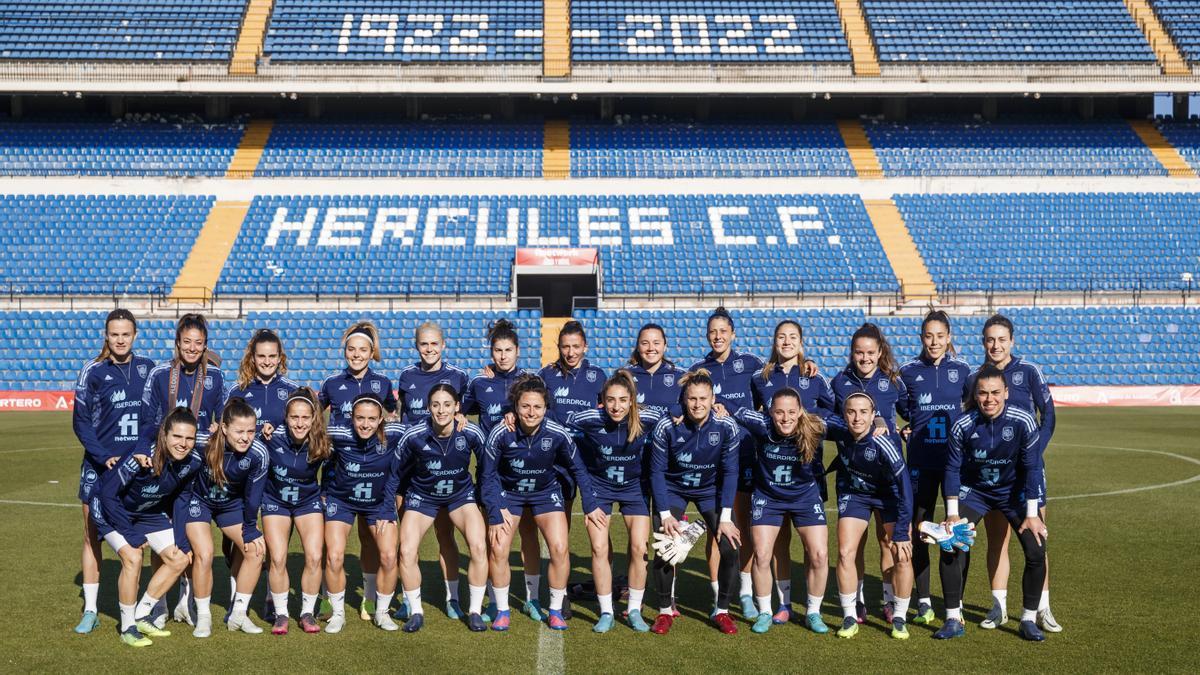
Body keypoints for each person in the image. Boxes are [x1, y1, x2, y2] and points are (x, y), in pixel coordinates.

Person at [481, 375, 605, 632]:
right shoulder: (501, 432)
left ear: (546, 408)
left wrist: (591, 504)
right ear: (515, 407)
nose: (531, 412)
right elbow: (487, 475)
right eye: (525, 406)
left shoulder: (557, 433)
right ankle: (502, 609)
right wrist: (495, 512)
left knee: (559, 548)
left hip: (545, 493)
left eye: (537, 406)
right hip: (509, 494)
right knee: (499, 547)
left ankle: (556, 609)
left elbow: (578, 468)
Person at [934, 364, 1048, 642]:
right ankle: (952, 618)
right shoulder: (963, 424)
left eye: (995, 392)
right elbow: (951, 469)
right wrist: (951, 514)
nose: (989, 399)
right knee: (951, 542)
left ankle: (1029, 619)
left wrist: (1032, 514)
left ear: (1006, 392)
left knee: (1036, 549)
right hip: (975, 491)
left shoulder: (1024, 420)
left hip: (1012, 492)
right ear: (976, 394)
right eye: (983, 393)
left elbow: (1032, 467)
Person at [969, 314, 1060, 633]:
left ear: (1012, 341)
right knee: (997, 541)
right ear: (983, 342)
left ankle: (1042, 609)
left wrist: (1034, 452)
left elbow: (1048, 415)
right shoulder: (974, 376)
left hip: (1027, 473)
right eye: (990, 339)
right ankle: (998, 607)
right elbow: (969, 424)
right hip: (991, 475)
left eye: (1002, 339)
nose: (996, 345)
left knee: (1037, 538)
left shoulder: (1029, 371)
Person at [137, 312, 225, 624]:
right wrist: (147, 446)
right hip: (165, 464)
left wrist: (217, 427)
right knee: (159, 537)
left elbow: (222, 418)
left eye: (198, 343)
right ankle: (158, 605)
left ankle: (184, 602)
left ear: (205, 346)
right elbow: (147, 419)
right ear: (177, 343)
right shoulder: (160, 374)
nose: (191, 348)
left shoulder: (215, 377)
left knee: (186, 535)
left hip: (198, 467)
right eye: (186, 342)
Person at [72, 308, 155, 634]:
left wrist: (143, 450)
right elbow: (80, 422)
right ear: (106, 336)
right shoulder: (92, 371)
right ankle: (91, 609)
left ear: (135, 335)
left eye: (126, 334)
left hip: (138, 468)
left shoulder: (148, 368)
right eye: (114, 334)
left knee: (144, 532)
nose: (120, 339)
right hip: (99, 466)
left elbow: (156, 415)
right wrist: (103, 456)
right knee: (91, 535)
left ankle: (150, 607)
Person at [90, 407, 201, 647]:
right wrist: (130, 533)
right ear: (164, 435)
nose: (183, 443)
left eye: (189, 438)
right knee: (133, 557)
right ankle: (127, 627)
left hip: (146, 512)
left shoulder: (193, 462)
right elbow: (108, 495)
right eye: (177, 436)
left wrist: (182, 541)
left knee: (180, 558)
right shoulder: (143, 455)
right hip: (110, 509)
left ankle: (141, 614)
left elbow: (182, 500)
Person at [563, 370, 662, 633]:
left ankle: (634, 610)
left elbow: (677, 413)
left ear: (632, 401)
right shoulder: (590, 418)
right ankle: (606, 611)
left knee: (641, 548)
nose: (616, 406)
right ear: (602, 401)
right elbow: (559, 424)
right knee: (598, 548)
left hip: (634, 488)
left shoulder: (647, 417)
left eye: (622, 400)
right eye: (610, 400)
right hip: (600, 489)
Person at [647, 369, 742, 635]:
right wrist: (665, 514)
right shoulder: (667, 425)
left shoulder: (726, 425)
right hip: (673, 488)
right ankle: (665, 610)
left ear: (713, 399)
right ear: (684, 400)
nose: (698, 404)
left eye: (703, 398)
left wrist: (724, 519)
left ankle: (722, 610)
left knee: (730, 547)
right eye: (692, 399)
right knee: (664, 547)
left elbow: (731, 471)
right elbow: (656, 472)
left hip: (709, 490)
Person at [728, 389, 830, 635]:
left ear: (800, 412)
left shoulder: (815, 426)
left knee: (819, 555)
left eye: (791, 412)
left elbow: (850, 423)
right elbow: (728, 404)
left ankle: (813, 612)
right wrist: (717, 406)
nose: (785, 418)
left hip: (805, 498)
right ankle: (765, 611)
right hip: (768, 497)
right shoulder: (761, 424)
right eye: (779, 412)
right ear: (770, 412)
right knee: (762, 554)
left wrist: (879, 423)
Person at [748, 319, 830, 622]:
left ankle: (814, 612)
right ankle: (779, 606)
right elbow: (751, 413)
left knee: (817, 552)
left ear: (801, 341)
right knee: (774, 547)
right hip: (770, 475)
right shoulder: (761, 376)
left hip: (807, 473)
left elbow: (833, 412)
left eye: (792, 337)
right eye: (781, 337)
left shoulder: (813, 375)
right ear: (774, 341)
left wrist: (809, 424)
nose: (786, 342)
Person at [395, 384, 490, 633]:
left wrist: (484, 499)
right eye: (435, 404)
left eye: (447, 404)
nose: (441, 410)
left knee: (479, 546)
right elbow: (395, 473)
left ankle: (475, 611)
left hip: (460, 496)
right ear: (428, 407)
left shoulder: (471, 432)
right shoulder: (414, 434)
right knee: (406, 550)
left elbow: (486, 468)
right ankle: (415, 611)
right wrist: (389, 507)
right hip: (422, 497)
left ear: (457, 407)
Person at [318, 321, 396, 622]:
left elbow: (392, 413)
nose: (357, 354)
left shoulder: (383, 383)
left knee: (368, 539)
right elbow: (315, 418)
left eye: (363, 349)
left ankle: (369, 596)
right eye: (351, 349)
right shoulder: (332, 383)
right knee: (334, 547)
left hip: (373, 470)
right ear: (345, 352)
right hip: (340, 469)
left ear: (371, 351)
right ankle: (328, 600)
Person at [830, 323, 907, 624]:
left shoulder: (893, 382)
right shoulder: (839, 382)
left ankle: (889, 600)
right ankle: (857, 601)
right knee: (852, 546)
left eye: (870, 352)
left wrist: (908, 428)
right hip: (853, 477)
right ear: (852, 353)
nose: (864, 358)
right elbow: (825, 414)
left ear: (880, 353)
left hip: (888, 478)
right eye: (859, 352)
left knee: (887, 541)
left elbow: (912, 412)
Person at [690, 307, 764, 620]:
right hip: (713, 460)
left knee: (742, 525)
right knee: (716, 530)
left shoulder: (752, 364)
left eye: (723, 331)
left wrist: (806, 363)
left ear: (733, 333)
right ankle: (718, 594)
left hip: (746, 454)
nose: (718, 337)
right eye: (712, 332)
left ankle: (745, 593)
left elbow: (772, 393)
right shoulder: (699, 370)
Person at [898, 310, 971, 625]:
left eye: (940, 336)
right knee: (920, 529)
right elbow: (902, 407)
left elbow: (974, 404)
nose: (934, 342)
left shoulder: (964, 370)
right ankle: (924, 599)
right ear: (921, 337)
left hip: (956, 463)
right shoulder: (908, 371)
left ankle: (958, 600)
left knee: (959, 530)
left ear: (949, 337)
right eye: (929, 335)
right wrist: (907, 427)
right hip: (920, 461)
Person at [529, 320, 606, 620]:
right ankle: (559, 597)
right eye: (565, 346)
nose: (571, 352)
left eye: (576, 346)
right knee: (562, 529)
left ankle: (603, 593)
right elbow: (528, 400)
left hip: (588, 460)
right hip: (555, 462)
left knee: (596, 529)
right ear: (558, 347)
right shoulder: (546, 374)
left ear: (585, 346)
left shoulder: (597, 376)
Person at [394, 322, 471, 621]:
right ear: (417, 346)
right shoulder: (407, 376)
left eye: (434, 344)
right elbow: (400, 414)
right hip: (410, 466)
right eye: (423, 344)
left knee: (444, 533)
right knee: (407, 538)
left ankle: (453, 597)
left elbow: (467, 407)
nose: (429, 349)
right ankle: (406, 597)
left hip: (443, 466)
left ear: (443, 344)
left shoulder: (457, 376)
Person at [175, 398, 268, 637]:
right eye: (239, 431)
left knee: (256, 550)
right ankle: (203, 616)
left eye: (251, 431)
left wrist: (250, 528)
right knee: (204, 554)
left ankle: (238, 614)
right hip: (200, 502)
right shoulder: (204, 444)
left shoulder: (258, 453)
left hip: (231, 506)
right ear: (224, 428)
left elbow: (253, 496)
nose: (246, 437)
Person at [826, 392, 913, 640]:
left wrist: (901, 531)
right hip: (855, 495)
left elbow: (905, 489)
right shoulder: (839, 430)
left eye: (864, 412)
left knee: (902, 553)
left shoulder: (884, 442)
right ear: (844, 415)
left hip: (889, 496)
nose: (857, 417)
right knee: (845, 553)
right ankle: (850, 615)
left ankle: (899, 617)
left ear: (874, 415)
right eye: (851, 411)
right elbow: (810, 415)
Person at [322, 395, 405, 633]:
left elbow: (429, 426)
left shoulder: (396, 433)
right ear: (351, 417)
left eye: (371, 419)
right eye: (360, 418)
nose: (365, 424)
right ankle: (337, 614)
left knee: (389, 557)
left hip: (379, 503)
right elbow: (307, 432)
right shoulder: (338, 434)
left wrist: (460, 418)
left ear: (381, 419)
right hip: (342, 501)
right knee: (335, 556)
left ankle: (381, 611)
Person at [261, 387, 329, 635]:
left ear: (313, 419)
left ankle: (307, 612)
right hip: (275, 501)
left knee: (313, 556)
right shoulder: (270, 437)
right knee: (277, 558)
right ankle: (281, 614)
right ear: (285, 418)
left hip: (307, 501)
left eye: (305, 417)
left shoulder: (322, 440)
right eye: (294, 417)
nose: (299, 423)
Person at [226, 328, 300, 436]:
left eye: (272, 356)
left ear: (279, 357)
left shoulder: (293, 390)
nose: (267, 362)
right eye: (261, 356)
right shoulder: (238, 390)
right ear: (252, 358)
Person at [625, 323, 684, 418]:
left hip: (668, 432)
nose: (651, 348)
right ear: (638, 347)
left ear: (664, 346)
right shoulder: (625, 376)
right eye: (645, 343)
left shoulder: (680, 376)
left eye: (656, 343)